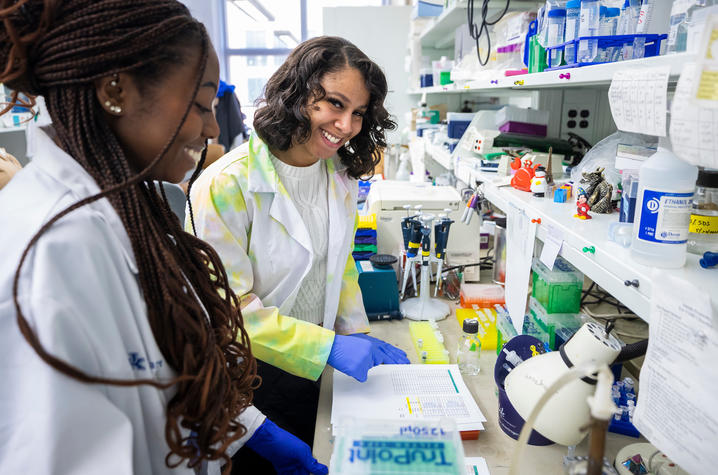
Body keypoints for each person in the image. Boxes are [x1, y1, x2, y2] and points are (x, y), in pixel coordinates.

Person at [0, 2, 326, 474]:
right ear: (116, 91)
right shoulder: (50, 253)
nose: (214, 128)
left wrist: (251, 431)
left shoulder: (129, 212)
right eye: (200, 105)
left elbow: (166, 362)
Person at [187, 36, 409, 472]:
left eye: (359, 113)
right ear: (298, 93)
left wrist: (355, 335)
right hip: (247, 384)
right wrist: (328, 348)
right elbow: (227, 311)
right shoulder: (224, 186)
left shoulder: (339, 176)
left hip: (316, 371)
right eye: (334, 103)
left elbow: (339, 264)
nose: (346, 125)